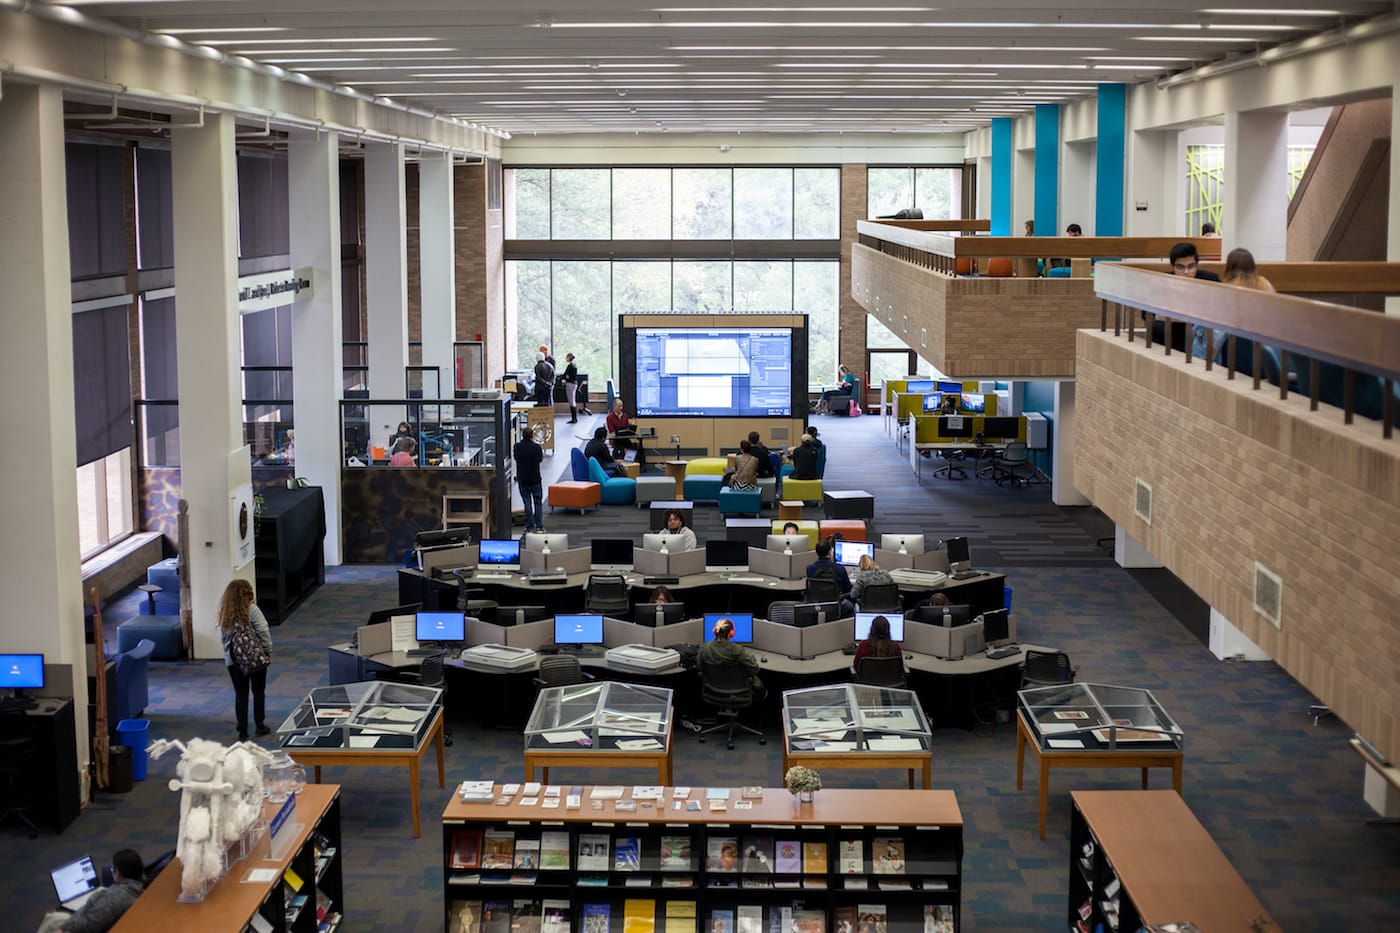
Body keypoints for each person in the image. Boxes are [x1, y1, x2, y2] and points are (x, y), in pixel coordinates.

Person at [1193, 247, 1276, 362]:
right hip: (1264, 354)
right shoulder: (1264, 284)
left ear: (1229, 267)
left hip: (1231, 354)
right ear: (1252, 266)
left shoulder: (1224, 289)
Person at [36, 849, 146, 933]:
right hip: (97, 908)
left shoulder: (114, 898)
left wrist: (63, 929)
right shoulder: (139, 885)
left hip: (81, 921)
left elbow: (88, 925)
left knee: (52, 918)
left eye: (114, 869)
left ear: (119, 872)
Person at [218, 579, 272, 741]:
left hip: (234, 661)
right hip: (255, 658)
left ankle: (242, 731)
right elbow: (263, 631)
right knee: (258, 691)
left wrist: (228, 657)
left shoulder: (225, 613)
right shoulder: (252, 609)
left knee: (241, 694)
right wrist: (267, 652)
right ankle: (260, 725)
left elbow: (224, 639)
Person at [698, 617, 764, 694]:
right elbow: (754, 670)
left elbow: (700, 668)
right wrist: (752, 659)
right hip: (739, 690)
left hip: (714, 689)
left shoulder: (704, 648)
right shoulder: (737, 650)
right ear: (731, 633)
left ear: (714, 631)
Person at [513, 425, 545, 533]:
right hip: (535, 478)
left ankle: (530, 526)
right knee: (538, 502)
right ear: (532, 436)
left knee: (527, 503)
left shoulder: (517, 447)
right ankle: (539, 525)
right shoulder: (536, 447)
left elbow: (516, 458)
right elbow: (540, 459)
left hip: (522, 479)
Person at [606, 398, 645, 466]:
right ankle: (621, 464)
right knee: (620, 448)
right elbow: (611, 431)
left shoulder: (625, 416)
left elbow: (627, 428)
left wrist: (631, 426)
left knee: (636, 446)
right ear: (614, 406)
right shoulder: (609, 417)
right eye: (619, 406)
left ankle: (630, 463)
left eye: (622, 406)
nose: (621, 408)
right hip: (616, 440)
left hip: (625, 439)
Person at [562, 352, 580, 424]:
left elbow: (566, 375)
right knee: (572, 400)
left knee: (571, 401)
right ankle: (574, 418)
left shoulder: (570, 366)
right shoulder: (574, 365)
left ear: (569, 358)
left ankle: (574, 418)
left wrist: (566, 377)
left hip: (570, 384)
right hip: (574, 384)